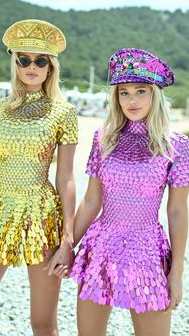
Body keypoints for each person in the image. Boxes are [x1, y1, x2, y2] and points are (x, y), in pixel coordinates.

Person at [0, 19, 78, 336]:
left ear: (50, 67)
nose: (31, 66)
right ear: (15, 63)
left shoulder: (63, 113)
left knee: (44, 323)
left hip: (42, 217)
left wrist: (67, 240)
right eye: (24, 59)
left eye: (40, 60)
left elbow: (66, 179)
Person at [66, 48, 188, 336]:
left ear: (155, 94)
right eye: (124, 92)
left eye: (140, 91)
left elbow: (178, 210)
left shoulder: (176, 145)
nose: (131, 100)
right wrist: (66, 246)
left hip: (147, 251)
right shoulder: (103, 138)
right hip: (100, 248)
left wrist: (177, 272)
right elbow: (91, 200)